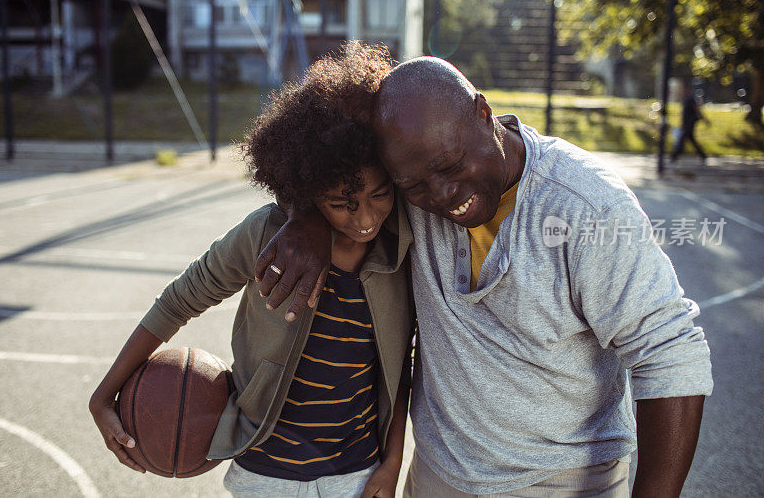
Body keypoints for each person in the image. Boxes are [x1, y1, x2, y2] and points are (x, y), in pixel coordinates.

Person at [254, 53, 713, 497]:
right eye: (413, 184)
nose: (443, 195)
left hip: (565, 479)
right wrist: (305, 214)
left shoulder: (585, 205)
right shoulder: (408, 191)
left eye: (450, 166)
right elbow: (324, 164)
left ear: (483, 113)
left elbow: (670, 353)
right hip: (440, 472)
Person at [89, 42, 415, 498]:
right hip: (263, 474)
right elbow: (181, 299)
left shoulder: (403, 248)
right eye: (342, 203)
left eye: (378, 195)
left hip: (357, 475)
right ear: (307, 189)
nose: (364, 218)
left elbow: (402, 367)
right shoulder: (266, 237)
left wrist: (393, 460)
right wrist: (105, 394)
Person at [671, 80, 710, 162]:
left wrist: (704, 120)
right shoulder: (685, 99)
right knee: (691, 139)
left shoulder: (691, 99)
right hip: (686, 123)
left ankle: (675, 156)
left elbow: (697, 110)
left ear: (688, 89)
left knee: (682, 139)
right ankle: (702, 155)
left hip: (690, 123)